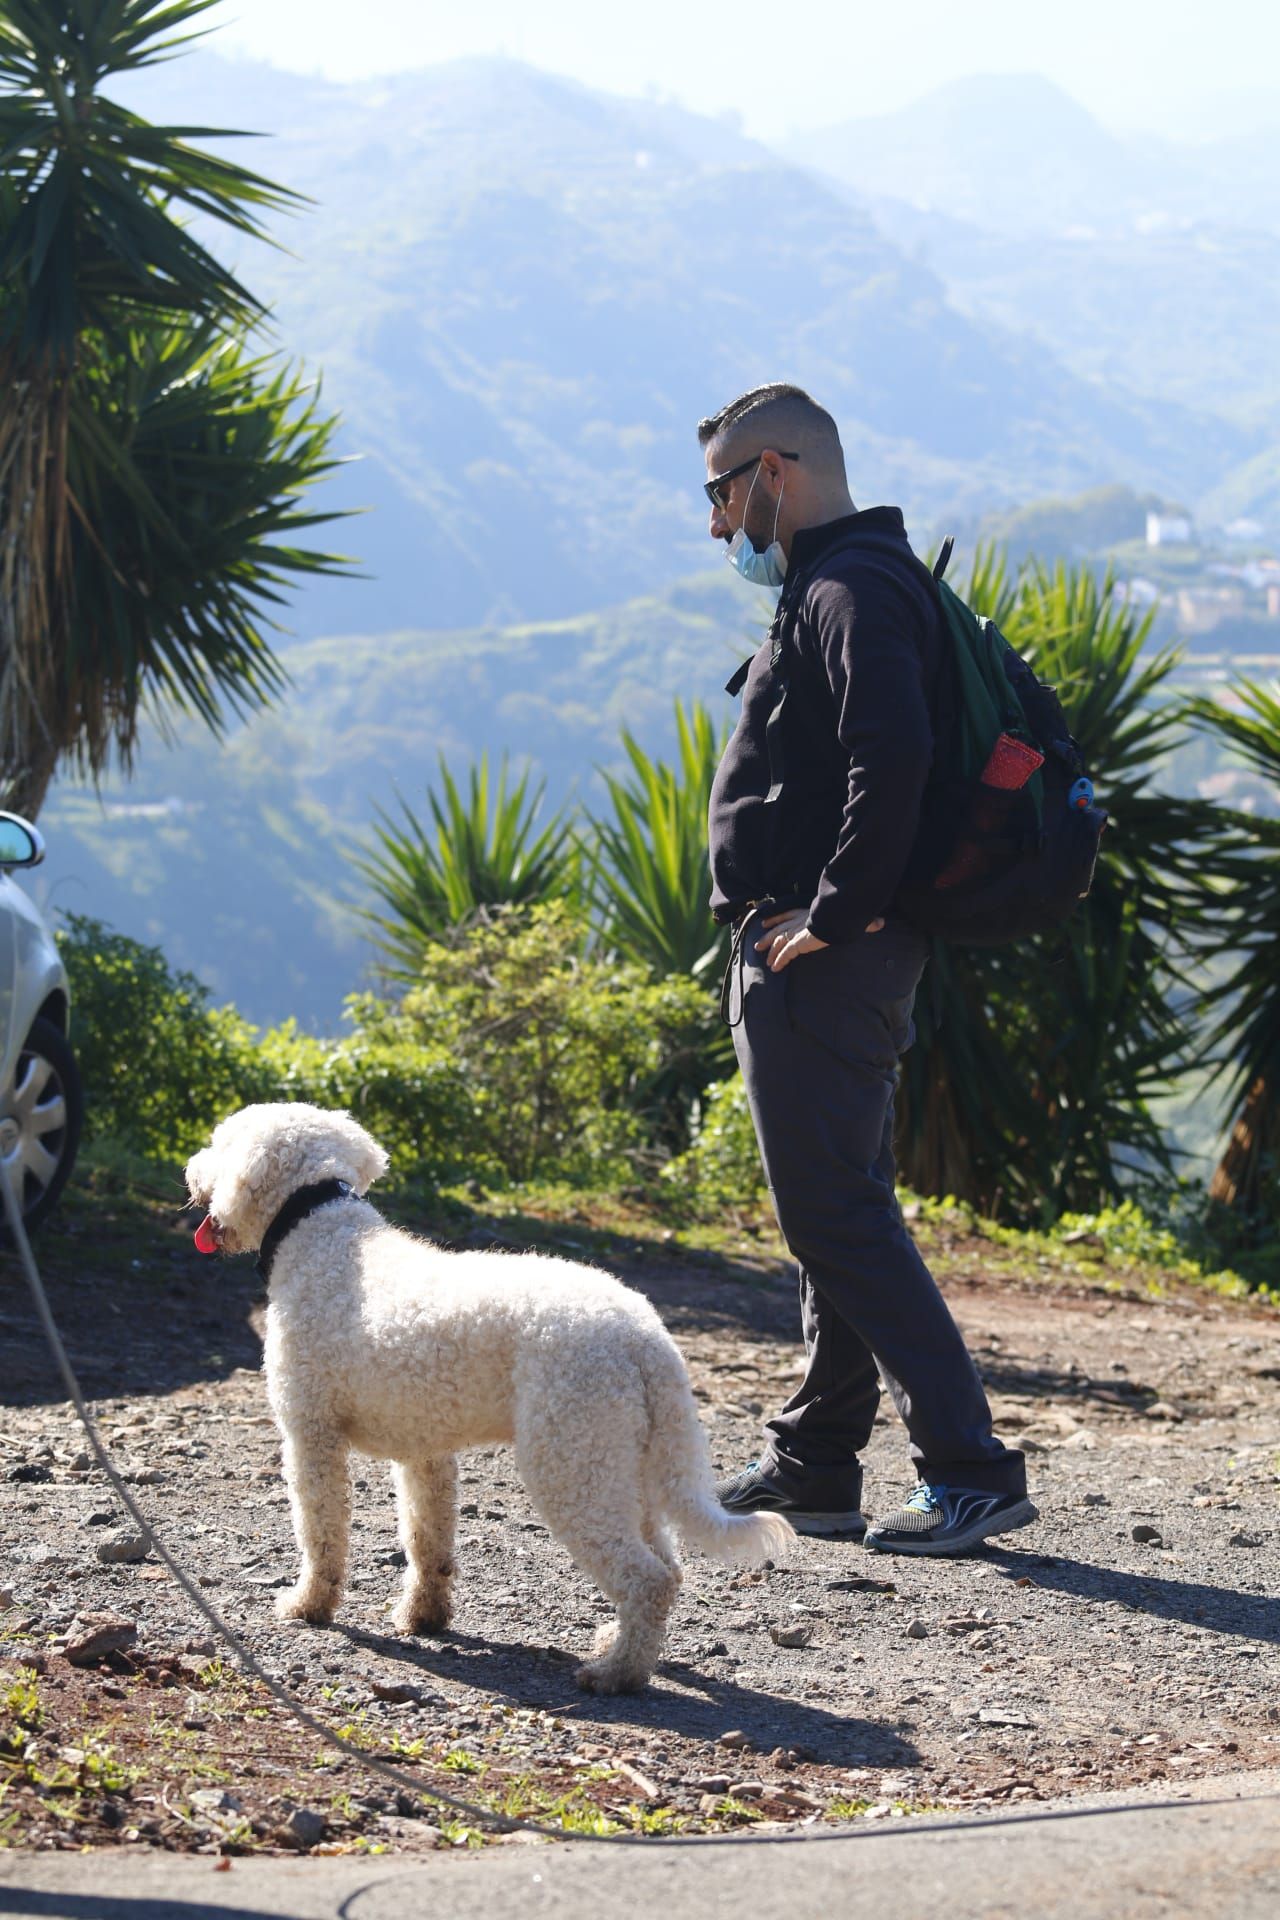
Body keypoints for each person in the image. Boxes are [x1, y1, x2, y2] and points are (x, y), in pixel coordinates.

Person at [700, 382, 1035, 1556]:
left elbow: (886, 757)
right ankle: (816, 1464)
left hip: (825, 960)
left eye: (721, 490)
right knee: (836, 1208)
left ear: (776, 473)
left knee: (834, 1213)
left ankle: (969, 1468)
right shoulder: (855, 583)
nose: (715, 522)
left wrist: (830, 917)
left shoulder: (847, 589)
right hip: (826, 953)